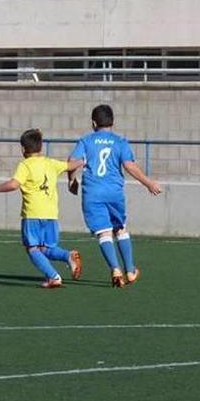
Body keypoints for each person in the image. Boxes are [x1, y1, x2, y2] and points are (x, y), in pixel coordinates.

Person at [68, 104, 162, 288]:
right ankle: (130, 271)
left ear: (94, 123)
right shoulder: (120, 142)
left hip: (93, 193)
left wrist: (72, 181)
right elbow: (129, 166)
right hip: (114, 192)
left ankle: (115, 269)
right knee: (120, 229)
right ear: (112, 122)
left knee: (104, 233)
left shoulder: (86, 141)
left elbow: (71, 162)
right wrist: (148, 183)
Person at [0, 129, 84, 289]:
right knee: (46, 249)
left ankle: (53, 276)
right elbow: (72, 164)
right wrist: (85, 161)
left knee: (32, 248)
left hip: (33, 215)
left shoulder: (25, 165)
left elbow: (14, 184)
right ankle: (68, 256)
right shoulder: (51, 163)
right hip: (51, 215)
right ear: (41, 147)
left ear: (23, 149)